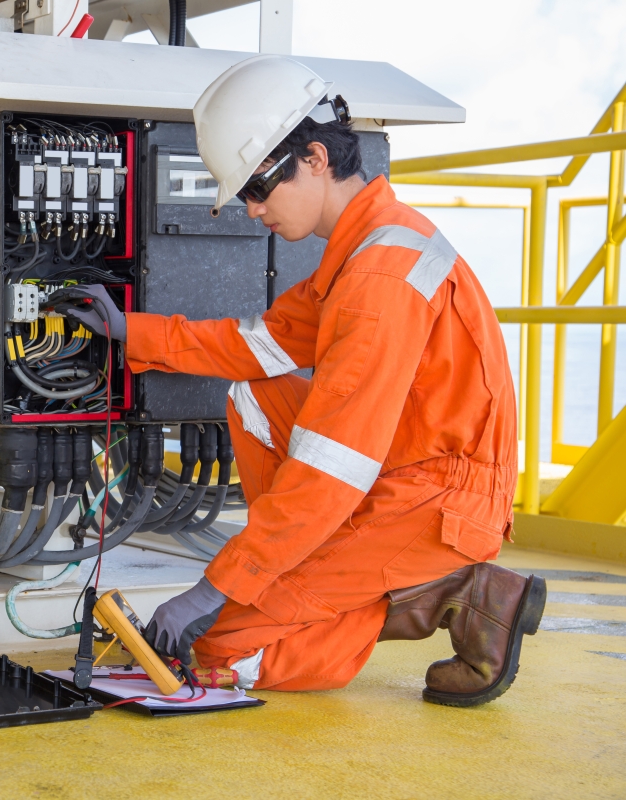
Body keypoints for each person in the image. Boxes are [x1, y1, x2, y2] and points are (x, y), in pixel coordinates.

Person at [61, 55, 546, 707]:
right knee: (255, 393)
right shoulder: (364, 248)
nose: (252, 208)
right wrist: (132, 332)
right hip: (401, 474)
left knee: (218, 646)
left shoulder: (377, 281)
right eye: (244, 194)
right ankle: (326, 580)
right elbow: (255, 347)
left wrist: (218, 588)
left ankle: (455, 592)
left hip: (434, 505)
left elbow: (330, 470)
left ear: (315, 158)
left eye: (259, 187)